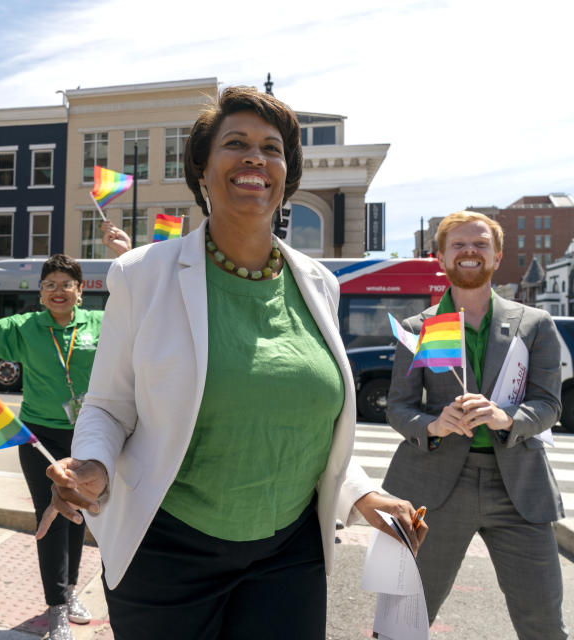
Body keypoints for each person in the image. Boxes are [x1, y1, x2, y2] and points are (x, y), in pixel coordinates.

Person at [37, 87, 427, 639]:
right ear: (202, 171)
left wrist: (363, 495)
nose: (254, 157)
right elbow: (107, 404)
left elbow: (311, 428)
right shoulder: (140, 274)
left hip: (289, 554)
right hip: (167, 550)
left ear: (285, 177)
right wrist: (94, 466)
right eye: (236, 143)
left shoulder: (319, 284)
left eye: (271, 148)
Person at [383, 211, 567, 639]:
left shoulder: (535, 324)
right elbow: (398, 408)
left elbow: (548, 403)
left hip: (519, 487)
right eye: (459, 244)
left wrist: (508, 418)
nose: (470, 251)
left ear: (497, 255)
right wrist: (434, 425)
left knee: (543, 622)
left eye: (480, 244)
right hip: (435, 486)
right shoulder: (419, 329)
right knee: (404, 619)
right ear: (441, 258)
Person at [0, 254, 99, 640]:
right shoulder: (27, 326)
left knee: (79, 516)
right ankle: (56, 607)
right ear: (41, 294)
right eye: (50, 285)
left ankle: (70, 591)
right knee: (50, 516)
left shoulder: (100, 323)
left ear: (80, 291)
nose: (57, 291)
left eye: (66, 284)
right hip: (40, 437)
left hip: (88, 434)